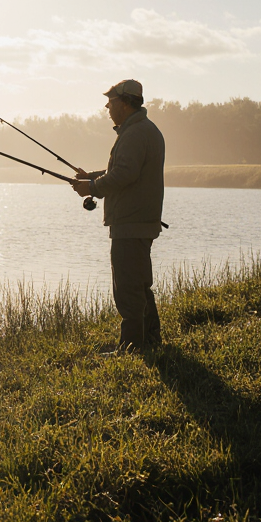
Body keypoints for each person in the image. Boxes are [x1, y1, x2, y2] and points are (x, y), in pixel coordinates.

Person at [72, 79, 165, 351]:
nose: (107, 107)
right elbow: (123, 169)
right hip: (138, 220)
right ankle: (150, 340)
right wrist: (93, 176)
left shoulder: (135, 133)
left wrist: (92, 188)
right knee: (139, 285)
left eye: (110, 102)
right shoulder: (141, 130)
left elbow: (125, 174)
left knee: (127, 288)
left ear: (125, 103)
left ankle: (133, 346)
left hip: (131, 222)